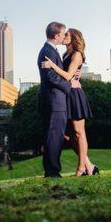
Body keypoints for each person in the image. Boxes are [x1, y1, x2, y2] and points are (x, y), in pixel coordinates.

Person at [42, 28, 99, 176]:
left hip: (75, 95)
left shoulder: (77, 54)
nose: (64, 36)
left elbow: (67, 76)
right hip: (66, 94)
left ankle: (82, 167)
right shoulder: (64, 54)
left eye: (67, 35)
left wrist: (53, 66)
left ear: (74, 38)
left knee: (79, 133)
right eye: (63, 34)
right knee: (68, 135)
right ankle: (89, 165)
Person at [37, 22, 79, 178]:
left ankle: (51, 170)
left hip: (54, 100)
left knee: (53, 136)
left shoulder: (50, 51)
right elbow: (51, 76)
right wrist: (70, 85)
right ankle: (53, 172)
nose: (64, 36)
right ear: (56, 36)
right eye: (62, 34)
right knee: (54, 137)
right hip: (54, 101)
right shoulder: (48, 51)